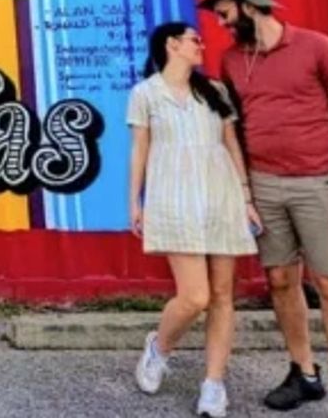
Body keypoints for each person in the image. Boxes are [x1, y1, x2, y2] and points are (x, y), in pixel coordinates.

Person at [200, 0, 328, 418]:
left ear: (249, 7)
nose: (219, 24)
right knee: (280, 280)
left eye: (224, 14)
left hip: (320, 183)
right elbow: (233, 127)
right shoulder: (232, 60)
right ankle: (304, 372)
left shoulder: (317, 47)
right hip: (265, 184)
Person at [128, 21, 259, 418]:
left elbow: (231, 144)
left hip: (221, 197)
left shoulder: (215, 91)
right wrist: (135, 201)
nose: (201, 45)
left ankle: (213, 384)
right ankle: (159, 348)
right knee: (194, 297)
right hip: (174, 199)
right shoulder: (145, 93)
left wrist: (246, 196)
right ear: (173, 45)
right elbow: (140, 151)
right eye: (194, 40)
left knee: (222, 295)